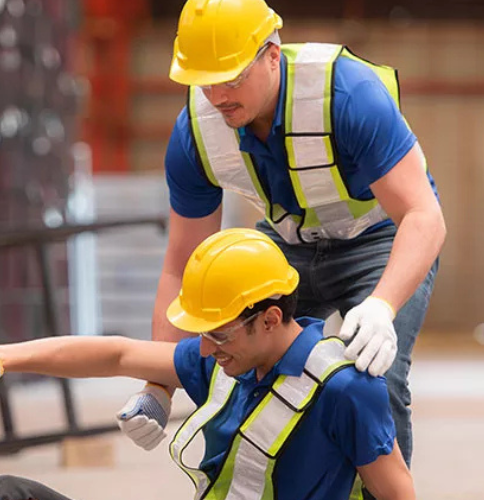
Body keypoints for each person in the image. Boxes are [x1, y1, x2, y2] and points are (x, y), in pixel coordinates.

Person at [115, 0, 445, 483]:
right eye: (204, 80)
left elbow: (424, 215)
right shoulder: (196, 132)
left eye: (230, 77)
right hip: (287, 241)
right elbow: (183, 264)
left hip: (378, 238)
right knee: (236, 352)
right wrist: (159, 384)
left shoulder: (347, 94)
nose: (217, 95)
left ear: (272, 54)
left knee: (373, 374)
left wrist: (381, 307)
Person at [0, 229, 416, 500]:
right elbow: (116, 353)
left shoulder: (346, 390)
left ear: (268, 319)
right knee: (10, 496)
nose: (204, 349)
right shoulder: (231, 360)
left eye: (217, 333)